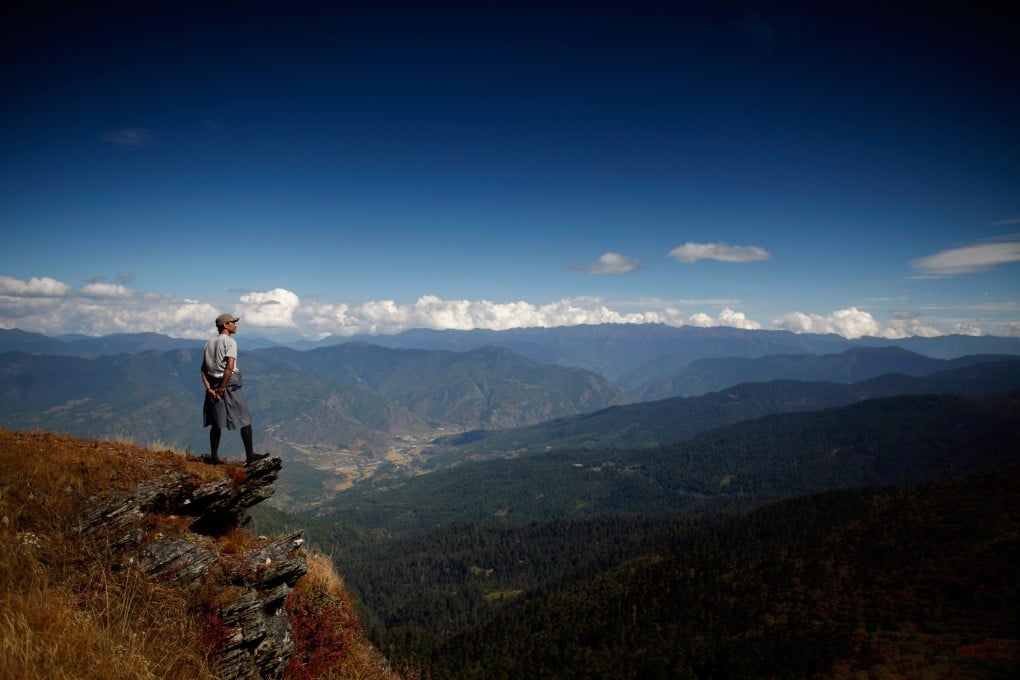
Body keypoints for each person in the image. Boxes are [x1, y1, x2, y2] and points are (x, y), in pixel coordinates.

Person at [201, 313, 269, 465]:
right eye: (233, 322)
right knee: (244, 418)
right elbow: (230, 367)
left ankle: (214, 457)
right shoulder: (230, 342)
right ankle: (250, 456)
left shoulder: (208, 343)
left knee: (216, 422)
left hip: (213, 384)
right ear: (225, 325)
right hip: (229, 384)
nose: (236, 325)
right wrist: (223, 388)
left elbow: (203, 370)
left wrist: (210, 389)